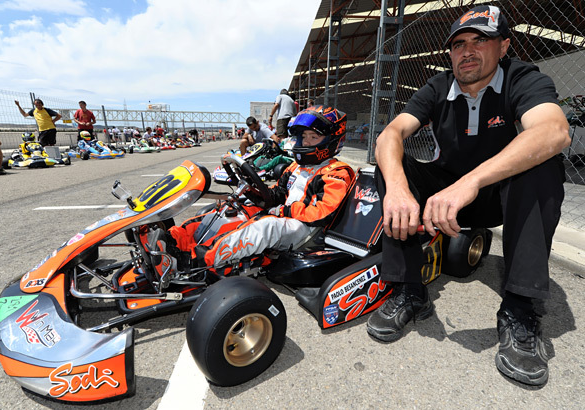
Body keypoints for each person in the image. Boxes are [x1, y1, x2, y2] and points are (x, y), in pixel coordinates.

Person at [366, 5, 571, 387]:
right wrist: (397, 188)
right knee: (393, 166)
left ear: (504, 46)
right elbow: (390, 134)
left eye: (481, 40)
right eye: (459, 44)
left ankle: (519, 310)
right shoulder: (439, 86)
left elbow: (554, 131)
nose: (468, 51)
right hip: (445, 193)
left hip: (498, 196)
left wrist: (471, 182)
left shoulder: (523, 78)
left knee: (542, 164)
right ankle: (410, 290)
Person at [163, 105, 354, 270]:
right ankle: (173, 241)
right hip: (285, 216)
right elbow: (278, 193)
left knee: (266, 226)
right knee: (232, 209)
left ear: (332, 139)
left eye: (314, 137)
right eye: (304, 136)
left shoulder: (337, 172)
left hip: (308, 230)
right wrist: (257, 192)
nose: (306, 142)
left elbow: (324, 212)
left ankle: (196, 261)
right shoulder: (296, 167)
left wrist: (284, 210)